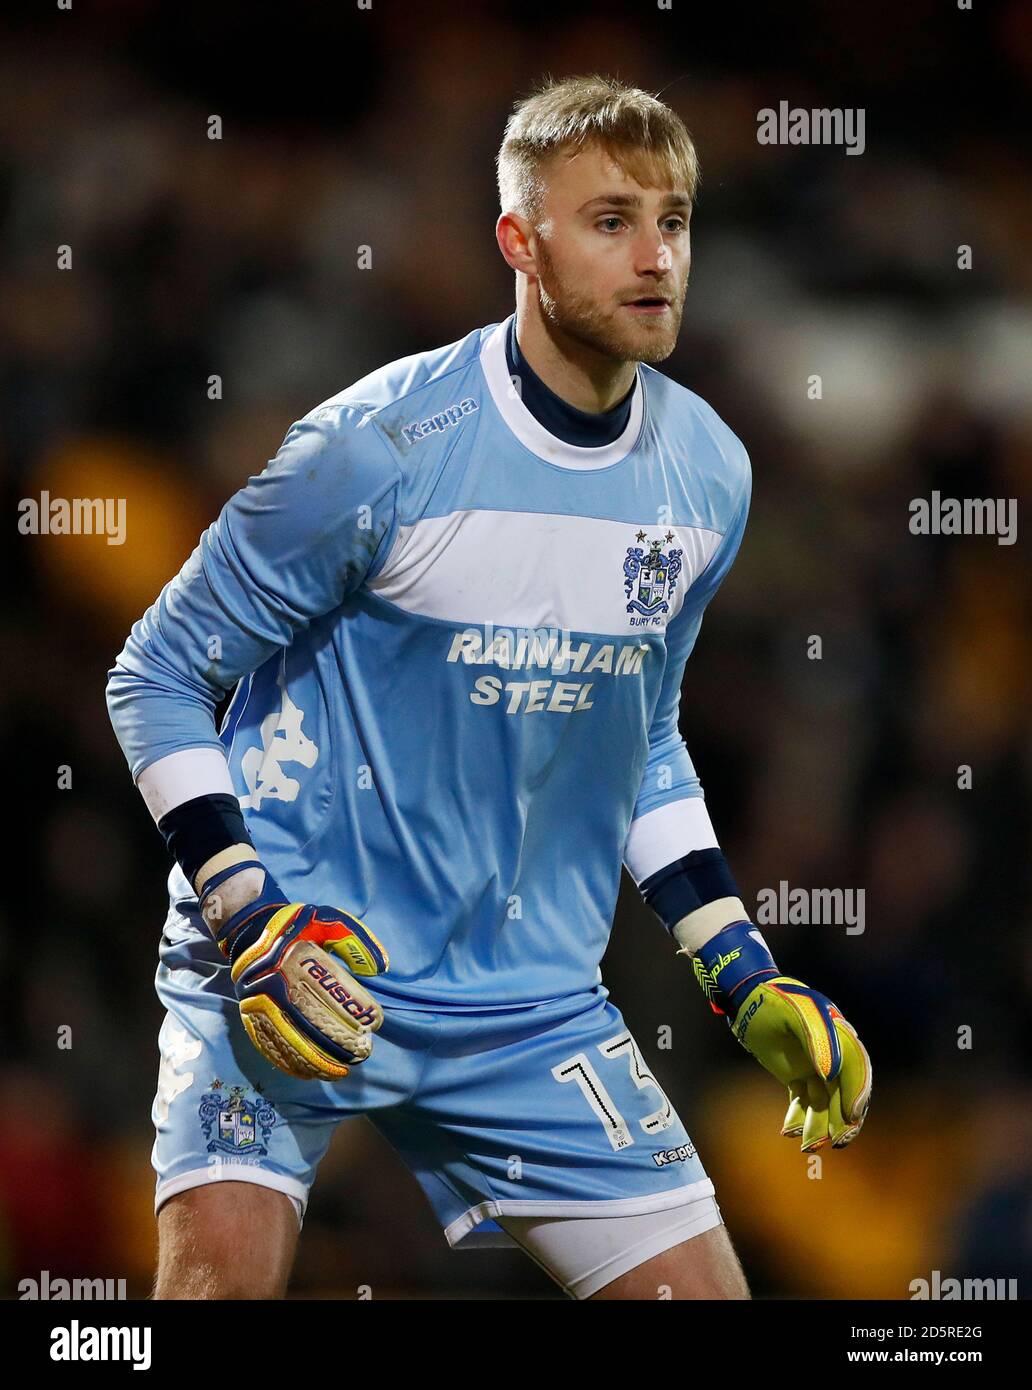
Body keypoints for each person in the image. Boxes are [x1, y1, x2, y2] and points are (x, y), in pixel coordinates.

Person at [106, 73, 871, 1301]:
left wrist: (737, 962)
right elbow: (155, 673)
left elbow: (642, 739)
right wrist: (250, 916)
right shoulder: (373, 448)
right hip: (298, 969)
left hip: (526, 1009)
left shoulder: (708, 473)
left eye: (673, 221)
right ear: (520, 241)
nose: (656, 255)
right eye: (611, 220)